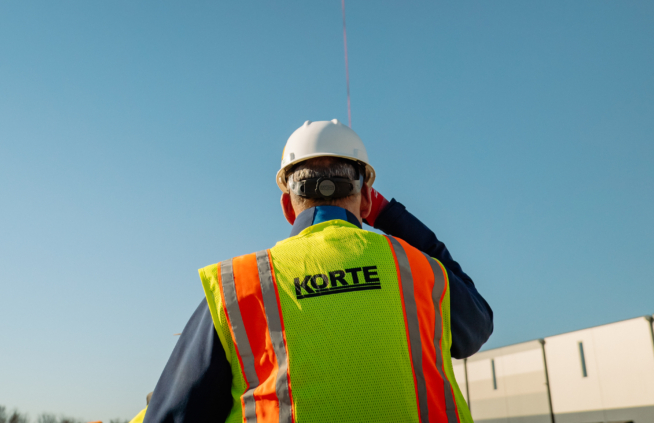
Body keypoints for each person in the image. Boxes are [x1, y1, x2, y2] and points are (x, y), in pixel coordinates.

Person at [133, 119, 493, 423]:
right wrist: (389, 215)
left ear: (288, 207)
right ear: (367, 199)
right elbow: (477, 325)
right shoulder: (423, 272)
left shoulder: (238, 287)